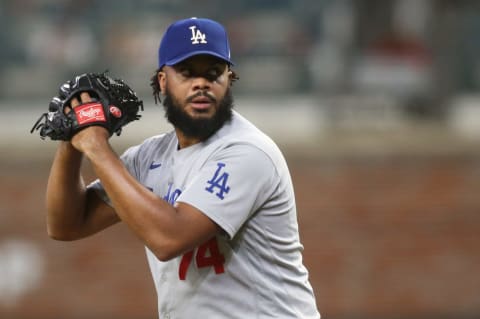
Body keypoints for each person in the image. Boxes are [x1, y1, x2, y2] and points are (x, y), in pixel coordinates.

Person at [45, 17, 320, 318]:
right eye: (187, 73)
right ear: (163, 81)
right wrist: (72, 139)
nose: (201, 83)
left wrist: (96, 146)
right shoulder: (149, 157)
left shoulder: (248, 152)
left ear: (230, 79)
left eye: (213, 73)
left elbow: (169, 238)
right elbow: (66, 224)